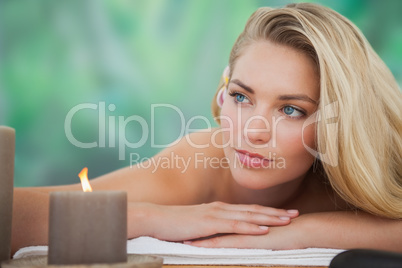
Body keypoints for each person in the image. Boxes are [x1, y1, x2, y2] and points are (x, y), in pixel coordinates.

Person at [12, 2, 401, 254]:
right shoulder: (197, 162)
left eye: (291, 110)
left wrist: (298, 233)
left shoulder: (365, 164)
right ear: (223, 87)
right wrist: (153, 217)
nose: (252, 131)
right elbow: (11, 215)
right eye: (241, 97)